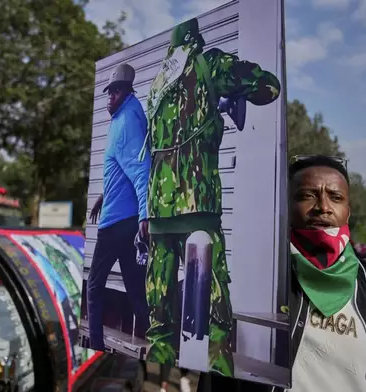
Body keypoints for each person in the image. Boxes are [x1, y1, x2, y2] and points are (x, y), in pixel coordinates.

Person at [199, 155, 366, 391]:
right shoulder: (251, 284)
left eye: (336, 197)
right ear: (284, 206)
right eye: (307, 195)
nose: (323, 207)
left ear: (348, 212)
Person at [142, 17, 280, 376]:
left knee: (160, 307)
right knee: (213, 297)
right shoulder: (209, 62)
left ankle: (158, 375)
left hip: (159, 207)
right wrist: (233, 93)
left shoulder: (157, 85)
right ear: (197, 41)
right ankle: (218, 368)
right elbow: (269, 87)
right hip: (196, 203)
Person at [86, 63, 151, 351]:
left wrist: (146, 214)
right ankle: (157, 346)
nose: (109, 98)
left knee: (94, 287)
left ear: (126, 91)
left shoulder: (125, 124)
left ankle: (96, 347)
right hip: (125, 217)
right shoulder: (129, 113)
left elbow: (140, 169)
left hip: (115, 224)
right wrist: (103, 195)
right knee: (136, 291)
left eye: (114, 92)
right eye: (108, 92)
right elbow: (122, 168)